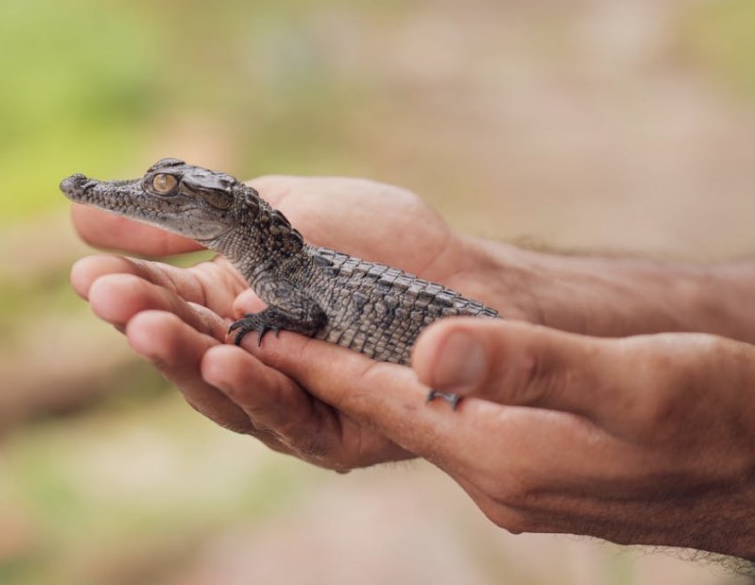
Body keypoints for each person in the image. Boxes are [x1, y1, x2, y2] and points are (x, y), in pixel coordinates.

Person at [68, 173, 755, 562]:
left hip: (471, 352)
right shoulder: (280, 263)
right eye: (159, 188)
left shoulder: (284, 277)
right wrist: (503, 275)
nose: (140, 196)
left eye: (165, 190)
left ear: (223, 211)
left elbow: (302, 320)